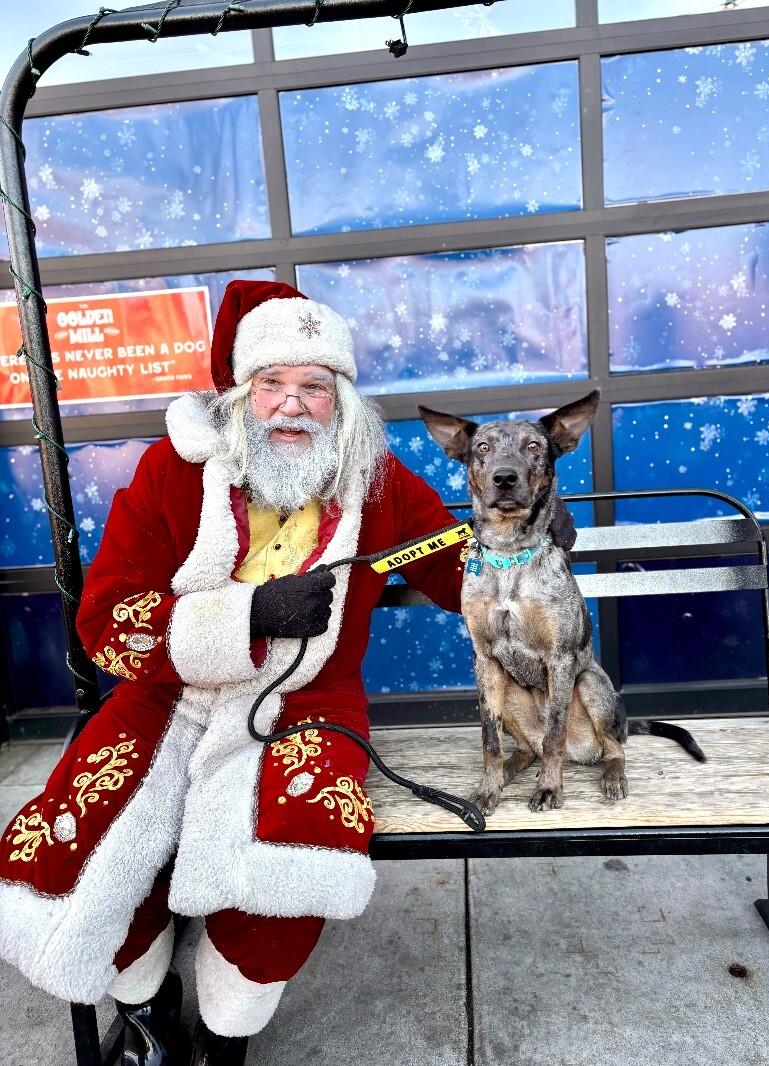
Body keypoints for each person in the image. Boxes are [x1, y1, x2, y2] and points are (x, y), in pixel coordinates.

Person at [0, 280, 576, 1064]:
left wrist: (523, 538)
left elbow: (453, 570)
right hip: (168, 695)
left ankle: (227, 1026)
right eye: (272, 383)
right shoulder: (173, 471)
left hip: (311, 699)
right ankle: (146, 1006)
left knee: (296, 852)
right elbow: (104, 619)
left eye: (315, 386)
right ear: (242, 393)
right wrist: (248, 615)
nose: (292, 406)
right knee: (92, 834)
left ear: (341, 400)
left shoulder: (377, 480)